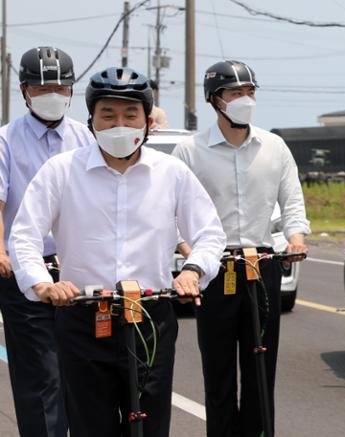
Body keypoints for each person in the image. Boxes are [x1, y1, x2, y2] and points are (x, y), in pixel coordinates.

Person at [8, 66, 226, 437]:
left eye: (130, 114)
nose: (119, 124)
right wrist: (44, 285)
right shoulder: (61, 171)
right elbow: (24, 236)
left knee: (150, 425)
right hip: (83, 317)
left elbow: (209, 233)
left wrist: (193, 270)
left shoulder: (171, 173)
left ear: (147, 121)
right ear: (91, 120)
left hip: (149, 317)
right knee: (91, 425)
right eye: (107, 115)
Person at [172, 60, 310, 437]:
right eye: (235, 93)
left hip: (261, 264)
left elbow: (292, 201)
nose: (244, 100)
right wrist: (187, 250)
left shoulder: (274, 147)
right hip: (213, 268)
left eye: (249, 92)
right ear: (215, 99)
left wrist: (296, 237)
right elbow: (170, 210)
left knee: (261, 369)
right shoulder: (189, 151)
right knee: (217, 370)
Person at [0, 46, 93, 437]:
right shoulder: (6, 140)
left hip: (76, 272)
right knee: (41, 377)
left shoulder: (85, 137)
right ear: (24, 90)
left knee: (83, 372)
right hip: (26, 271)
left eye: (60, 86)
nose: (52, 93)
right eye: (42, 87)